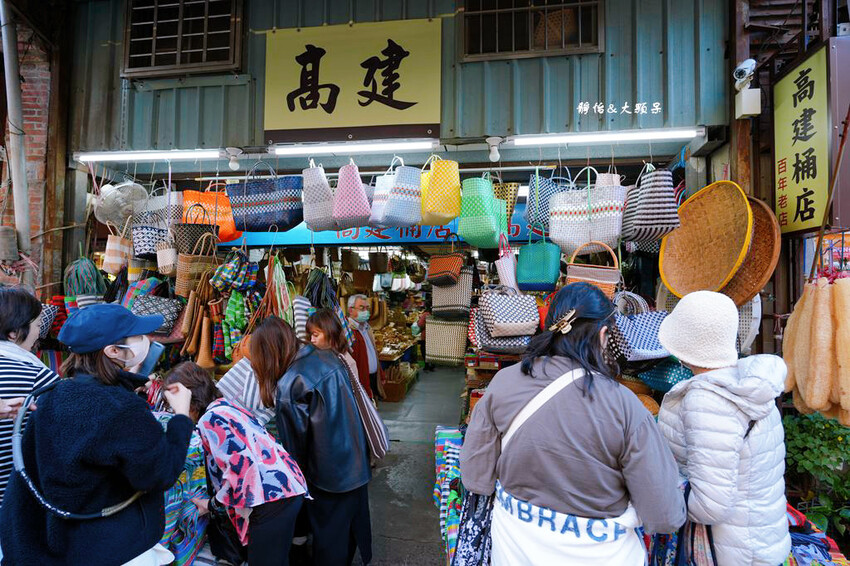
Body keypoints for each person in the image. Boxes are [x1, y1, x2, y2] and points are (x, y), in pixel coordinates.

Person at [460, 283, 685, 565]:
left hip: (513, 550)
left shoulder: (504, 382)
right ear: (602, 334)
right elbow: (664, 516)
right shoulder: (626, 407)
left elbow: (475, 477)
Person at [0, 303, 194, 566]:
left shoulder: (53, 396)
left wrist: (126, 385)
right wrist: (182, 417)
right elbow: (160, 474)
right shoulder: (122, 408)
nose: (147, 340)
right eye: (138, 336)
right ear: (113, 351)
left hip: (52, 546)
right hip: (107, 549)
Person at [656, 291, 791, 565]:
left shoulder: (708, 401)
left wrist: (659, 491)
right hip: (762, 540)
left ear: (685, 344)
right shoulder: (751, 386)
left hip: (730, 552)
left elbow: (710, 505)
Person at [250, 316, 372, 566]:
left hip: (330, 477)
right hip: (356, 460)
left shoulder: (291, 383)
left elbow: (295, 453)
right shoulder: (326, 356)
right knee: (348, 531)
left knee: (329, 543)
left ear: (267, 354)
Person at [166, 362, 309, 566]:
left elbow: (242, 473)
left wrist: (212, 504)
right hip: (285, 489)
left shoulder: (210, 419)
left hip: (272, 498)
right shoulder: (224, 406)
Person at [0, 287, 60, 503]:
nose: (38, 333)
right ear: (13, 333)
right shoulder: (37, 376)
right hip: (10, 500)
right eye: (37, 325)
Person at [307, 308, 373, 399]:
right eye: (310, 335)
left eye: (315, 335)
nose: (312, 340)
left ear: (331, 333)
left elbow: (350, 398)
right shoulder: (315, 356)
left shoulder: (346, 363)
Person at [347, 294, 384, 400]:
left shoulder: (367, 328)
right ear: (350, 310)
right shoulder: (348, 331)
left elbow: (373, 352)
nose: (366, 311)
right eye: (362, 308)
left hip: (372, 378)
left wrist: (380, 374)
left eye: (367, 308)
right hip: (360, 381)